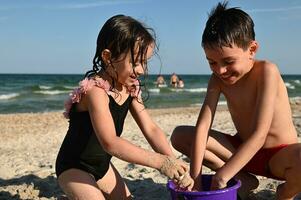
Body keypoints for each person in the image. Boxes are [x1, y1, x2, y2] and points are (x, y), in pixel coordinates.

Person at [171, 2, 301, 200]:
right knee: (180, 135)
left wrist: (222, 177)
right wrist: (196, 178)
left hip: (279, 157)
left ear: (252, 49)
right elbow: (203, 127)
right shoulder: (217, 80)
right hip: (241, 153)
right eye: (212, 62)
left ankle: (285, 193)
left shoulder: (267, 71)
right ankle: (243, 179)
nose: (220, 70)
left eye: (228, 62)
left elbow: (259, 135)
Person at [55, 14, 193, 200]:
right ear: (108, 57)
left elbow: (151, 129)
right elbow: (110, 142)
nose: (142, 70)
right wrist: (160, 162)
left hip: (102, 167)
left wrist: (174, 162)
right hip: (74, 166)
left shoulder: (131, 88)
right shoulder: (96, 91)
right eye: (135, 62)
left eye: (145, 62)